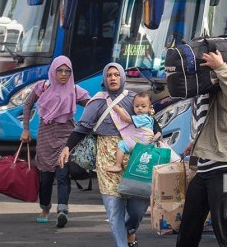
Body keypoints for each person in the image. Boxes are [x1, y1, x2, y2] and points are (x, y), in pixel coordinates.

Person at [58, 63, 157, 247]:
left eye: (116, 74)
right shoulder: (96, 102)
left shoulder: (134, 99)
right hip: (107, 159)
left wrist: (156, 138)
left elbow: (150, 122)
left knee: (139, 205)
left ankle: (130, 229)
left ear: (122, 77)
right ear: (104, 79)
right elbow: (82, 128)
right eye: (109, 75)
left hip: (135, 156)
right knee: (114, 209)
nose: (112, 78)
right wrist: (67, 147)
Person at [176, 50, 227, 247]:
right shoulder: (197, 96)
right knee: (189, 225)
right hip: (206, 168)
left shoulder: (219, 90)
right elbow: (205, 126)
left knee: (224, 223)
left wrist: (221, 68)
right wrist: (194, 144)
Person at [20, 55, 90, 228]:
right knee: (45, 178)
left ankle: (62, 211)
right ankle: (45, 208)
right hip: (45, 138)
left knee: (62, 175)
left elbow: (92, 105)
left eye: (68, 71)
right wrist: (26, 129)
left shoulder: (74, 90)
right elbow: (27, 105)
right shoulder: (42, 87)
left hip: (66, 140)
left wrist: (86, 127)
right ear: (53, 71)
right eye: (60, 70)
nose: (64, 74)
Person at [106, 91, 162, 173]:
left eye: (143, 106)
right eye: (137, 106)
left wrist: (117, 109)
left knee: (121, 145)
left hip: (141, 141)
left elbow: (127, 119)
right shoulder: (149, 118)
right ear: (133, 107)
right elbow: (156, 131)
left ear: (149, 108)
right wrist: (157, 135)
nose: (140, 108)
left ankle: (117, 165)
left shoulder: (142, 118)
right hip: (148, 142)